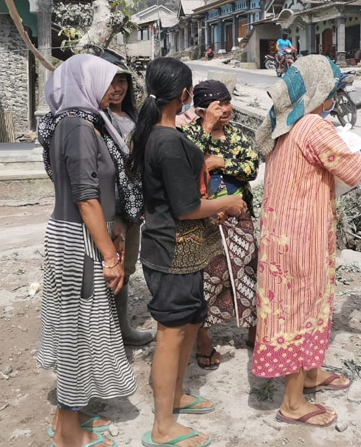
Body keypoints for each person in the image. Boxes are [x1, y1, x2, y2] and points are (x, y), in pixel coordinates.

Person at [252, 55, 361, 428]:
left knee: (305, 305)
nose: (336, 96)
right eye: (333, 89)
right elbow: (355, 169)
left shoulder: (286, 126)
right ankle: (293, 403)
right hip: (302, 237)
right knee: (299, 310)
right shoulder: (313, 126)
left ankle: (310, 376)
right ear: (320, 93)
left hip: (285, 234)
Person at [126, 58, 247, 447]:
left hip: (186, 250)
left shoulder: (161, 136)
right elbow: (187, 207)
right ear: (183, 96)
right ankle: (163, 426)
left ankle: (176, 396)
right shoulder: (168, 141)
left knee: (190, 321)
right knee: (171, 333)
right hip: (172, 249)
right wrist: (229, 202)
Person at [35, 54, 137, 447]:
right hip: (79, 240)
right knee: (77, 332)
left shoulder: (79, 122)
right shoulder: (78, 127)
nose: (114, 87)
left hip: (77, 236)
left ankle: (68, 420)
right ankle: (68, 434)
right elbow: (86, 198)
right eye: (106, 79)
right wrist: (110, 256)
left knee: (75, 328)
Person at [181, 80, 261, 369]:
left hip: (239, 217)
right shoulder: (187, 135)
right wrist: (204, 139)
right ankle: (203, 340)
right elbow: (187, 168)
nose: (225, 110)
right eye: (218, 105)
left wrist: (219, 163)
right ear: (201, 110)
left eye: (227, 103)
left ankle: (254, 331)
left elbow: (251, 167)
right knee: (206, 280)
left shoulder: (237, 135)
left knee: (249, 272)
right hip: (204, 221)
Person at [102, 55, 156, 346]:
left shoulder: (133, 117)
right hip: (115, 207)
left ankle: (121, 329)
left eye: (121, 80)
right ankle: (110, 335)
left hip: (135, 206)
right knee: (113, 265)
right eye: (110, 82)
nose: (116, 87)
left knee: (127, 266)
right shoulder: (98, 119)